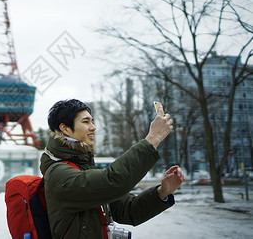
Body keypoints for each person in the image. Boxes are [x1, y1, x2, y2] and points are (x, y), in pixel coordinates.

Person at [40, 99, 185, 239]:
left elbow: (127, 210)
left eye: (92, 121)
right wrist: (153, 139)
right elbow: (113, 182)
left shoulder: (82, 167)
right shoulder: (58, 174)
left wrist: (162, 192)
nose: (93, 127)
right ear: (65, 128)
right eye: (85, 122)